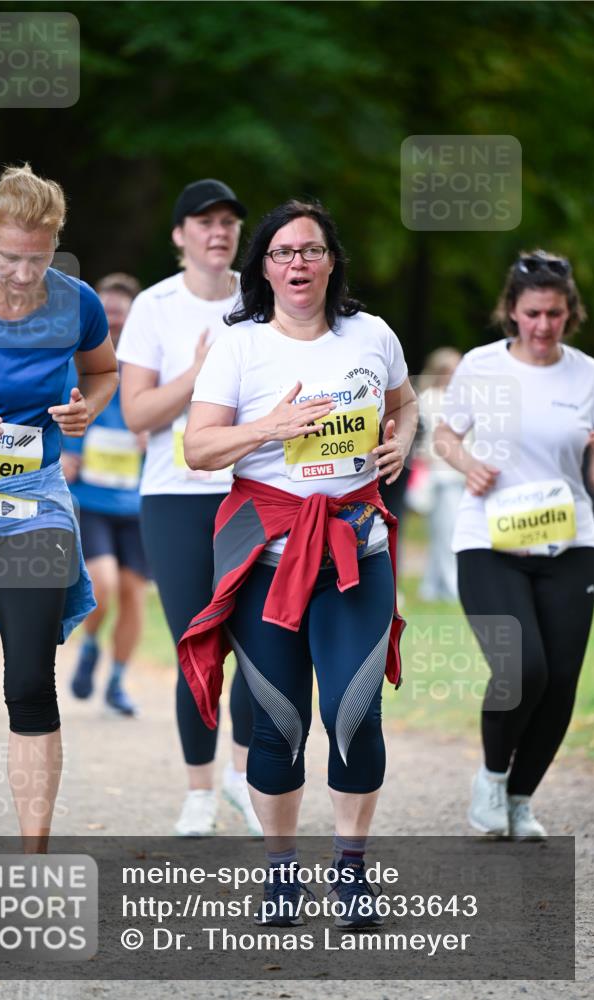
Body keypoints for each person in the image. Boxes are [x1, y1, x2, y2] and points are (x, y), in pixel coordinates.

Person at [179, 199, 417, 926]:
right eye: (282, 253)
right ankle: (281, 873)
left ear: (331, 261)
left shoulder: (370, 334)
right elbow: (196, 450)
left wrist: (401, 441)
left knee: (355, 714)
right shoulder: (239, 345)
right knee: (279, 726)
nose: (297, 265)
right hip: (267, 554)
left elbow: (404, 406)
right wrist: (272, 427)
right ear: (263, 269)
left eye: (310, 250)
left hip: (354, 548)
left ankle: (350, 871)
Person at [0, 164, 118, 914]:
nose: (21, 273)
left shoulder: (74, 304)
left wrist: (83, 411)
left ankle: (34, 863)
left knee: (31, 682)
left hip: (33, 506)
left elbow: (103, 373)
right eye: (9, 257)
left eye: (36, 259)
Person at [434, 250, 594, 839]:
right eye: (533, 313)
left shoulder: (588, 376)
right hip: (488, 540)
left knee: (560, 684)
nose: (543, 325)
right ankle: (492, 776)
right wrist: (468, 464)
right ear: (512, 311)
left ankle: (521, 800)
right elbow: (446, 435)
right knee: (521, 664)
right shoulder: (481, 367)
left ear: (569, 312)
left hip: (570, 542)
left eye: (555, 313)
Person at [117, 179, 259, 836]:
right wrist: (196, 375)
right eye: (204, 221)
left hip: (253, 491)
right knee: (196, 646)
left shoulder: (260, 299)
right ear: (179, 235)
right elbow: (138, 411)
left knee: (262, 645)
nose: (218, 231)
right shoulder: (154, 306)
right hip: (174, 496)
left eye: (229, 220)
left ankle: (241, 779)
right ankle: (198, 790)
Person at [62, 272, 150, 716]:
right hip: (90, 500)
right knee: (104, 585)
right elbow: (47, 411)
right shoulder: (75, 362)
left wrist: (153, 433)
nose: (113, 323)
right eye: (107, 315)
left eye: (121, 316)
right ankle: (92, 642)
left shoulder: (148, 368)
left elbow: (180, 417)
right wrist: (60, 453)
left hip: (136, 502)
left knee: (135, 594)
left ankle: (116, 681)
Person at [415, 347, 464, 602]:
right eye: (449, 371)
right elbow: (426, 441)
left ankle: (432, 587)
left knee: (446, 532)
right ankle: (450, 585)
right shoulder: (430, 398)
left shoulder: (464, 399)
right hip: (439, 476)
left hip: (458, 476)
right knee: (445, 533)